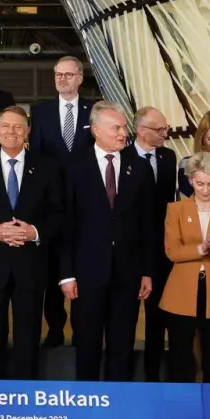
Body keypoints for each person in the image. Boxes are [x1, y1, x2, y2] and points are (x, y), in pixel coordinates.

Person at [0, 106, 63, 380]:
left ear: (27, 130)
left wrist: (34, 232)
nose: (11, 132)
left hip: (30, 266)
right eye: (5, 126)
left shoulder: (47, 167)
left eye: (18, 127)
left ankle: (24, 398)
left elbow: (58, 213)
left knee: (28, 337)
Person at [59, 102, 154, 382]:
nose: (124, 133)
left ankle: (118, 404)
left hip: (128, 274)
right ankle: (87, 404)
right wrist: (66, 274)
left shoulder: (139, 169)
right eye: (117, 128)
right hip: (87, 273)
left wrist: (147, 270)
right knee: (87, 344)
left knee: (122, 344)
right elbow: (66, 225)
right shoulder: (75, 168)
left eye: (124, 127)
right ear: (97, 130)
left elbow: (147, 225)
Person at [159, 154, 210, 383]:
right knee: (180, 360)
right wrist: (201, 247)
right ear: (191, 180)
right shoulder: (175, 209)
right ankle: (180, 411)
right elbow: (172, 251)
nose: (205, 190)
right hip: (181, 293)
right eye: (200, 183)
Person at [28, 56, 92, 348]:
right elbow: (36, 159)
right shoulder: (40, 112)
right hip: (52, 203)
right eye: (58, 75)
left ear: (80, 78)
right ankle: (54, 329)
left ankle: (83, 331)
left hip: (87, 205)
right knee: (53, 268)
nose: (63, 80)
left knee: (82, 265)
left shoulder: (95, 111)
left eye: (68, 75)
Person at [131, 106, 178, 381]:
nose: (165, 134)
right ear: (140, 130)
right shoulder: (123, 158)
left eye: (165, 129)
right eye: (159, 130)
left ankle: (153, 375)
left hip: (160, 247)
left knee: (159, 315)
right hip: (129, 247)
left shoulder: (168, 157)